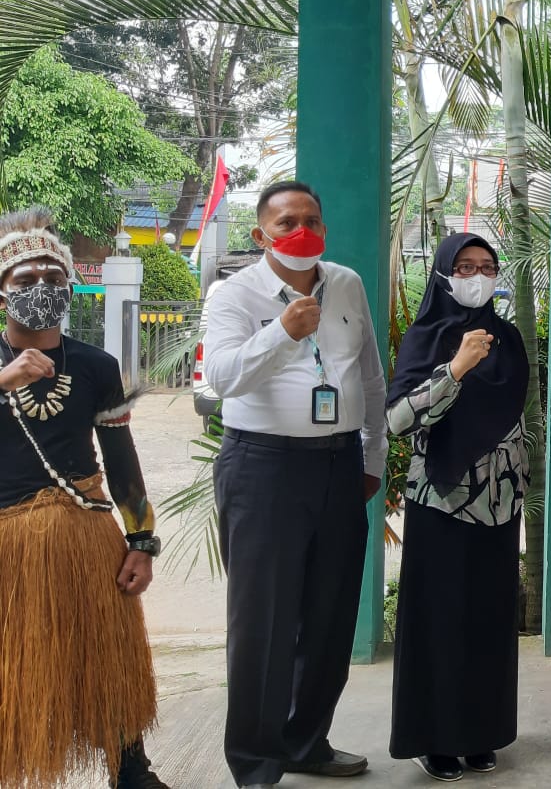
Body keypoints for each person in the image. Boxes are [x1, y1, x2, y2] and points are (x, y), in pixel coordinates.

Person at [203, 181, 389, 788]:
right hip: (263, 468)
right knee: (264, 621)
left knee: (331, 614)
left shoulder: (348, 284)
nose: (300, 230)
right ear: (261, 235)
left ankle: (307, 740)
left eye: (311, 219)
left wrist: (372, 457)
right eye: (286, 223)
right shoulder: (233, 294)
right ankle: (257, 762)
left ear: (325, 229)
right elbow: (223, 378)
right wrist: (282, 330)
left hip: (338, 465)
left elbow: (371, 377)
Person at [0, 207, 168, 789]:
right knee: (13, 668)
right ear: (2, 291)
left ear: (72, 284)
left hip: (87, 534)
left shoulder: (97, 365)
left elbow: (122, 461)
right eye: (25, 280)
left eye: (53, 276)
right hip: (7, 543)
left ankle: (131, 769)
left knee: (109, 660)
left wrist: (141, 541)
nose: (41, 288)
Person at [386, 234, 529, 779]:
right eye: (464, 266)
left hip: (500, 503)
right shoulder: (428, 337)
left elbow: (519, 418)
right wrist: (456, 368)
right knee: (439, 621)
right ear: (444, 274)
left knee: (488, 622)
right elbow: (398, 420)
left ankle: (482, 733)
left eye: (486, 266)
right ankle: (435, 738)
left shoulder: (510, 338)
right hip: (441, 500)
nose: (476, 275)